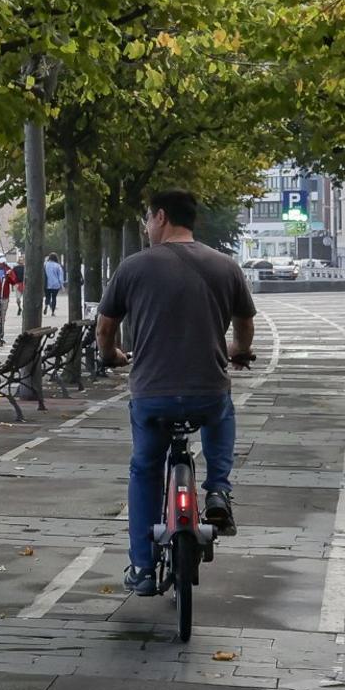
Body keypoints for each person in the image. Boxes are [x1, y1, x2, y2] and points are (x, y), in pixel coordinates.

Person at [96, 189, 256, 596]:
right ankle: (218, 488)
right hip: (207, 391)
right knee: (221, 412)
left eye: (148, 219)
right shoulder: (226, 266)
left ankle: (143, 569)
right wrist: (237, 352)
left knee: (145, 469)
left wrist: (112, 356)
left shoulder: (133, 268)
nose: (147, 227)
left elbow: (105, 328)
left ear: (161, 217)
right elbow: (245, 322)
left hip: (153, 395)